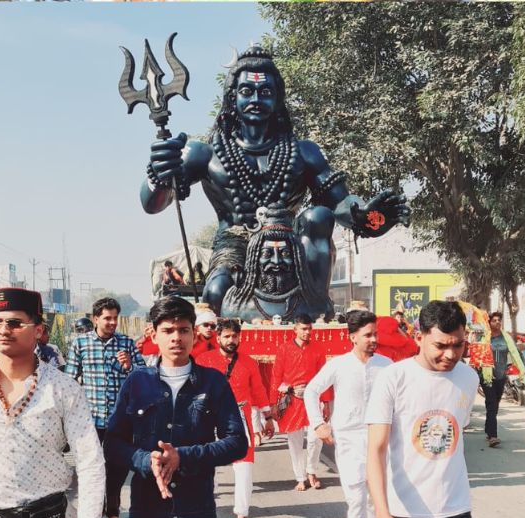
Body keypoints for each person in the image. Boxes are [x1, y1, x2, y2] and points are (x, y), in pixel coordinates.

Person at [143, 44, 410, 316]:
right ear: (232, 97)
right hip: (234, 244)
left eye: (266, 92)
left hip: (288, 242)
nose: (256, 99)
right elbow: (152, 204)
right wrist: (159, 174)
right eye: (247, 91)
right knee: (216, 291)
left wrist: (364, 214)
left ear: (278, 99)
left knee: (318, 216)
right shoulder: (205, 153)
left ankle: (318, 310)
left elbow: (340, 203)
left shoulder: (303, 152)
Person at [0, 287, 104, 518]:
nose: (3, 330)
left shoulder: (64, 388)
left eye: (14, 323)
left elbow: (90, 464)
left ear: (39, 330)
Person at [104, 296, 248, 518]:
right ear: (154, 336)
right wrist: (145, 460)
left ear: (194, 335)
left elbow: (237, 443)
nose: (176, 338)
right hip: (147, 512)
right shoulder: (137, 383)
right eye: (168, 330)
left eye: (183, 330)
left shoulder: (213, 383)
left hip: (196, 513)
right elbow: (113, 443)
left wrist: (184, 456)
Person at [365, 300, 479, 518]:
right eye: (440, 345)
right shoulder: (393, 378)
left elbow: (457, 432)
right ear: (419, 337)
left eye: (458, 345)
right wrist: (382, 514)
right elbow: (376, 450)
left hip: (457, 511)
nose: (451, 354)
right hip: (406, 514)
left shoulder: (469, 378)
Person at [304, 310, 392, 518]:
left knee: (376, 499)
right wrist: (318, 424)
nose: (374, 339)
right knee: (356, 500)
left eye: (375, 334)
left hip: (380, 440)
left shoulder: (387, 366)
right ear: (353, 337)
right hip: (349, 440)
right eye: (368, 335)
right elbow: (311, 391)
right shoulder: (339, 365)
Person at [65, 297, 145, 518]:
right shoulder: (80, 344)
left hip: (120, 420)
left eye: (115, 318)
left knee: (118, 468)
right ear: (95, 319)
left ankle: (113, 511)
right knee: (92, 468)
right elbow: (70, 380)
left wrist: (130, 366)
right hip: (90, 420)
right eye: (107, 318)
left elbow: (144, 376)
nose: (112, 322)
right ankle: (94, 510)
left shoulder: (126, 343)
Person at [197, 318, 274, 518]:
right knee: (207, 463)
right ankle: (205, 506)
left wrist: (267, 417)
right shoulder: (203, 360)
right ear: (218, 338)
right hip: (210, 417)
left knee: (244, 467)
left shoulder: (249, 362)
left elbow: (258, 390)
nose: (231, 340)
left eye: (235, 336)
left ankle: (242, 514)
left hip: (240, 418)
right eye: (227, 336)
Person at [270, 313, 331, 491]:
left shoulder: (318, 348)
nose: (307, 332)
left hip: (313, 399)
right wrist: (273, 403)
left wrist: (326, 402)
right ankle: (300, 477)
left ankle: (312, 471)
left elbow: (323, 377)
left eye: (309, 328)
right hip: (292, 400)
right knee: (295, 441)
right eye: (304, 329)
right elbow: (276, 377)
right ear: (295, 329)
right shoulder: (284, 349)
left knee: (315, 438)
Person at [476, 312, 525, 448]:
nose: (497, 322)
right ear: (489, 323)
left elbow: (517, 353)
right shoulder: (483, 338)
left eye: (499, 320)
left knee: (495, 404)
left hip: (501, 376)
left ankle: (488, 428)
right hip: (487, 376)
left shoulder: (506, 338)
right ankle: (493, 436)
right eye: (494, 320)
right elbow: (476, 355)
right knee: (492, 403)